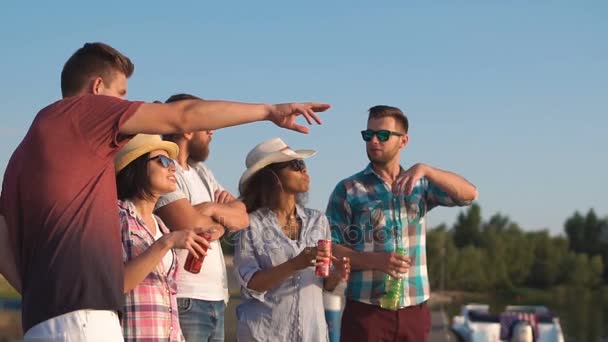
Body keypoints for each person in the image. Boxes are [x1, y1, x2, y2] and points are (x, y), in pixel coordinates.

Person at [0, 41, 330, 340]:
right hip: (84, 321)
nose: (124, 107)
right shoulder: (84, 112)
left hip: (41, 324)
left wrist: (33, 294)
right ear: (97, 88)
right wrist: (268, 111)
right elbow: (181, 116)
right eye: (122, 94)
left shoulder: (22, 155)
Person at [326, 105, 478, 342]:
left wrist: (427, 170)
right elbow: (331, 247)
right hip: (367, 312)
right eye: (368, 135)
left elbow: (469, 194)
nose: (373, 140)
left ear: (403, 141)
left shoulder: (421, 185)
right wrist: (376, 261)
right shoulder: (348, 189)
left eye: (383, 135)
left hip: (414, 311)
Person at [234, 138, 351, 342]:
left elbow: (325, 285)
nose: (304, 170)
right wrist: (296, 263)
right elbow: (252, 285)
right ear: (272, 177)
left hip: (311, 334)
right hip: (265, 334)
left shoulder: (318, 220)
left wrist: (337, 275)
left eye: (303, 164)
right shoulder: (251, 224)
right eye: (296, 165)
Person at [155, 93, 249, 341]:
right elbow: (188, 224)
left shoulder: (202, 172)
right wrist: (218, 221)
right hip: (186, 298)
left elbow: (241, 217)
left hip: (216, 298)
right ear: (186, 130)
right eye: (206, 123)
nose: (212, 132)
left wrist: (209, 209)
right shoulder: (164, 171)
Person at [115, 134, 207, 341]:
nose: (172, 168)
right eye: (163, 161)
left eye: (172, 162)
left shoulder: (162, 226)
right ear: (137, 167)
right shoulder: (116, 216)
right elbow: (116, 284)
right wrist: (166, 243)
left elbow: (167, 295)